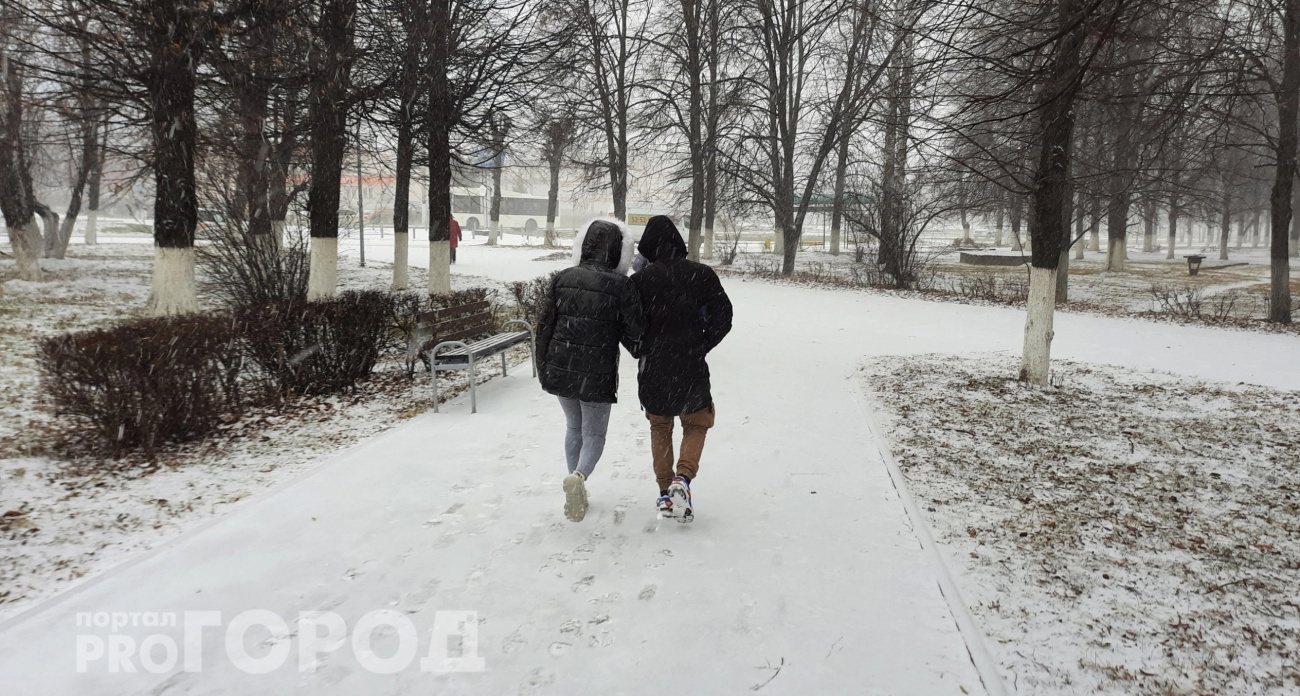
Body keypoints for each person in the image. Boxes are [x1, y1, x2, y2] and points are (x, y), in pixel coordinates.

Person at [536, 218, 644, 522]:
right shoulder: (621, 285)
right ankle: (580, 477)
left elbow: (544, 327)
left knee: (573, 427)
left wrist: (543, 367)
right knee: (594, 432)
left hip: (561, 366)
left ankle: (575, 483)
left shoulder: (563, 277)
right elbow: (634, 335)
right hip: (596, 372)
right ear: (620, 252)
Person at [631, 215, 732, 523]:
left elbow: (627, 325)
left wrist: (641, 347)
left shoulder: (638, 282)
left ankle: (665, 493)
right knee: (697, 422)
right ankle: (683, 480)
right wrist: (701, 344)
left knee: (660, 427)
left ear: (647, 247)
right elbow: (723, 316)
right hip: (691, 364)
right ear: (679, 242)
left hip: (655, 367)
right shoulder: (701, 275)